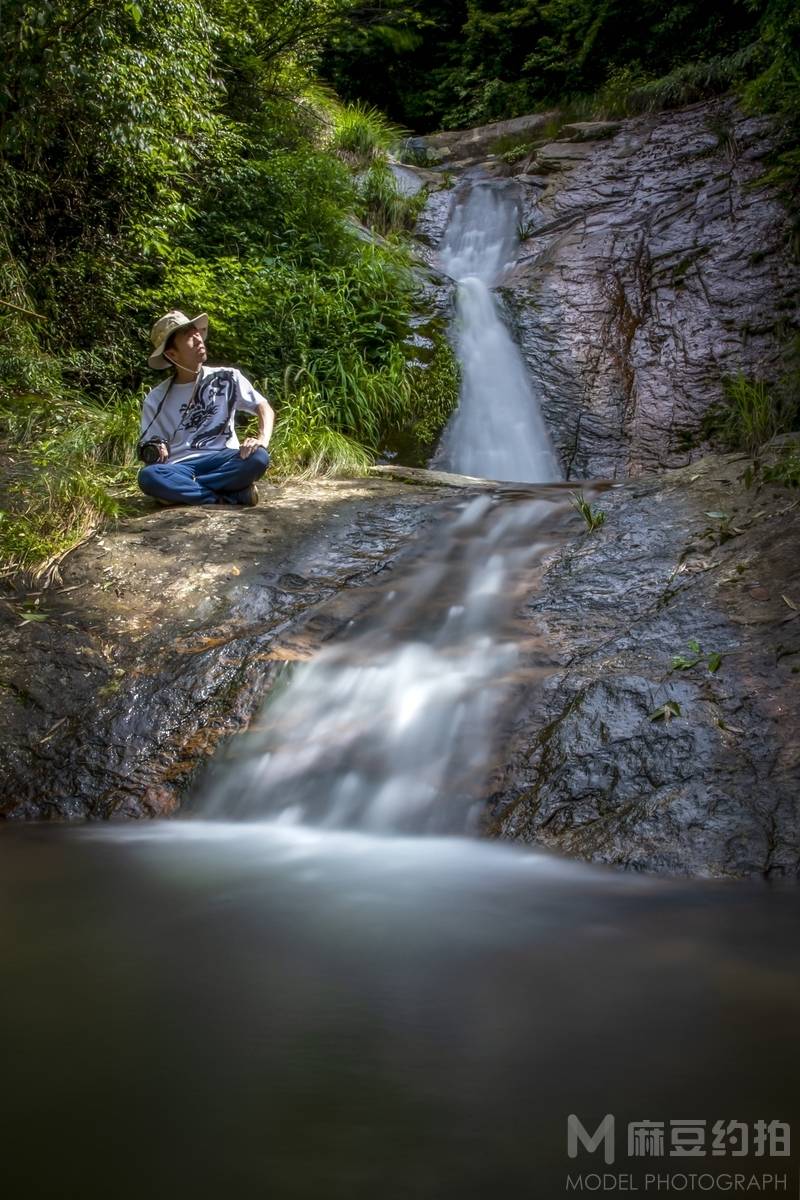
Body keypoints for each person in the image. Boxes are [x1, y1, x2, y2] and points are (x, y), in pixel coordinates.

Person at [137, 309, 274, 507]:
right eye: (188, 336)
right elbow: (151, 451)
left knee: (259, 458)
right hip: (181, 466)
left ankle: (187, 492)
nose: (199, 339)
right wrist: (157, 448)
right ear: (171, 353)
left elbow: (264, 407)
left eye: (197, 333)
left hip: (224, 458)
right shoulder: (156, 398)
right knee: (148, 476)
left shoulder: (228, 377)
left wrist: (261, 440)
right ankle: (229, 497)